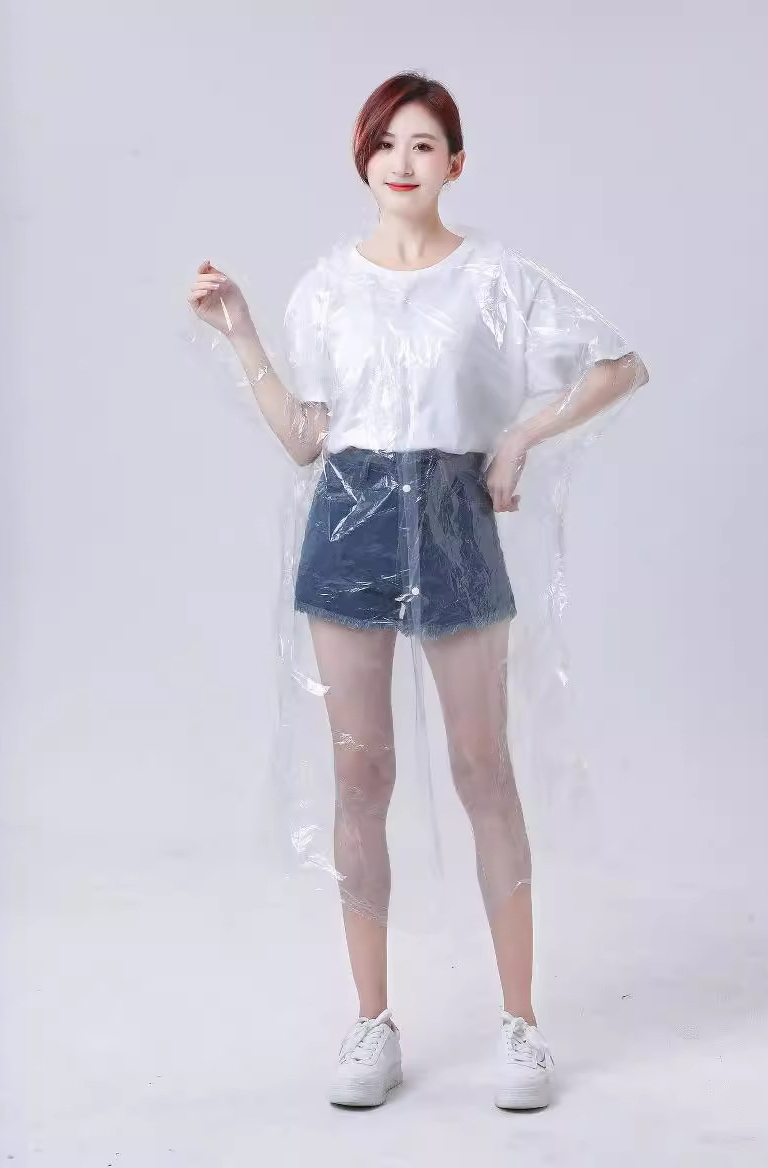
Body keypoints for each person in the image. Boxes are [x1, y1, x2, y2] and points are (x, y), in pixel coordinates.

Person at [188, 71, 649, 1111]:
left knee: (484, 767)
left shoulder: (494, 278)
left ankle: (521, 1025)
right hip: (348, 522)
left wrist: (519, 436)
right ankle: (371, 1021)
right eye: (386, 143)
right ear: (363, 158)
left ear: (455, 162)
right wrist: (243, 331)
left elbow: (616, 365)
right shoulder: (326, 286)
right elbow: (305, 437)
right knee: (361, 776)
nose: (403, 161)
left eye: (424, 144)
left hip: (452, 515)